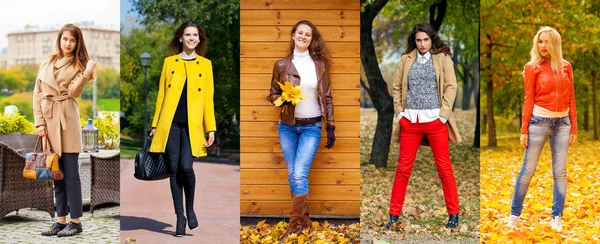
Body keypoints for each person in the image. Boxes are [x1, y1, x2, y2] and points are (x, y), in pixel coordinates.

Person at [387, 23, 462, 230]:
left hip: (435, 122)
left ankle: (453, 215)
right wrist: (400, 114)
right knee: (402, 170)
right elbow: (396, 87)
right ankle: (393, 216)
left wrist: (443, 116)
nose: (422, 44)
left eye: (426, 40)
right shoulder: (406, 59)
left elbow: (451, 86)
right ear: (414, 40)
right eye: (419, 40)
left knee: (444, 168)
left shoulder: (443, 58)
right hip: (410, 122)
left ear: (432, 39)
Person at [266, 20, 336, 241]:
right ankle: (303, 222)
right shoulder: (281, 65)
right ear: (293, 35)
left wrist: (330, 125)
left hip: (311, 126)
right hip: (287, 127)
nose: (304, 36)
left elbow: (327, 98)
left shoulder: (319, 66)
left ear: (312, 39)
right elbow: (272, 94)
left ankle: (294, 226)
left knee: (299, 174)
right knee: (293, 175)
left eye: (308, 34)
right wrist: (283, 99)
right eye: (300, 33)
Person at [149, 21, 216, 237]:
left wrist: (211, 128)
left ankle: (190, 208)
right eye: (187, 34)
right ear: (180, 38)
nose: (191, 38)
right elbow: (161, 96)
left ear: (199, 39)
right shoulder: (170, 62)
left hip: (193, 126)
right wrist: (154, 124)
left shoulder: (206, 64)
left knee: (187, 168)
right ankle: (180, 217)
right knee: (175, 169)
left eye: (195, 35)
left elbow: (208, 99)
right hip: (170, 124)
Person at [507, 26, 577, 232]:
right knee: (527, 170)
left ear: (555, 43)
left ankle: (557, 217)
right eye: (540, 41)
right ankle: (514, 215)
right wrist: (523, 129)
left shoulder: (566, 67)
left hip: (563, 123)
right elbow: (528, 99)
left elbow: (572, 97)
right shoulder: (532, 67)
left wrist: (574, 126)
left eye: (547, 41)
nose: (543, 45)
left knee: (560, 172)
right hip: (538, 122)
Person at [34, 23, 97, 237]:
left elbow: (73, 92)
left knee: (71, 175)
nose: (68, 43)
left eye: (72, 40)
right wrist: (40, 125)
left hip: (67, 121)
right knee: (55, 174)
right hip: (49, 121)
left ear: (77, 43)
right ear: (59, 39)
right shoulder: (47, 61)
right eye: (65, 39)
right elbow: (37, 94)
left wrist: (87, 73)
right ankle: (60, 220)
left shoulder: (80, 64)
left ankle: (76, 221)